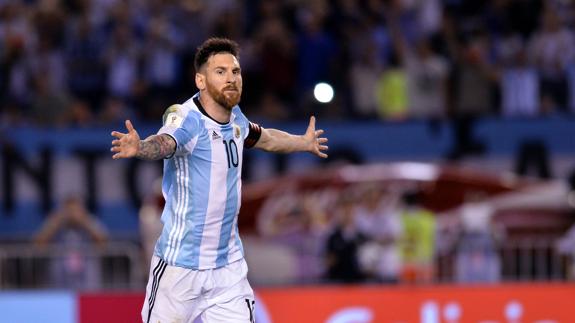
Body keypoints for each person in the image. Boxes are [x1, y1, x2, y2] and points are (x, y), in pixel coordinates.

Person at [110, 37, 328, 323]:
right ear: (200, 81)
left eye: (235, 72)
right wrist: (141, 147)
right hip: (180, 269)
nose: (231, 79)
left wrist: (302, 142)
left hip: (227, 269)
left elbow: (264, 138)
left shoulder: (235, 117)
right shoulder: (186, 118)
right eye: (220, 72)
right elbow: (166, 142)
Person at [33, 195, 108, 289]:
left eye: (75, 210)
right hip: (60, 282)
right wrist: (55, 223)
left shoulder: (91, 221)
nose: (72, 214)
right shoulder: (55, 222)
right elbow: (38, 244)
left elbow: (103, 243)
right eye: (69, 210)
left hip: (88, 282)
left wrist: (85, 222)